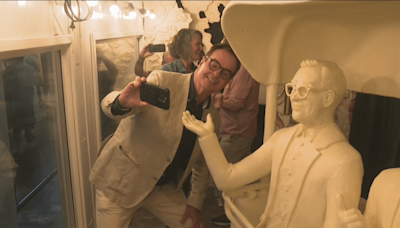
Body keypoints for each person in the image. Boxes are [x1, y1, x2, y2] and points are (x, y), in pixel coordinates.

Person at [182, 59, 364, 227]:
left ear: (328, 98)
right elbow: (227, 178)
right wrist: (207, 137)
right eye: (292, 88)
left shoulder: (345, 161)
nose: (294, 97)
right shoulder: (282, 139)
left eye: (304, 90)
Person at [89, 43, 241, 228]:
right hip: (121, 180)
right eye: (214, 64)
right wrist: (121, 103)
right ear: (202, 62)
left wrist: (195, 202)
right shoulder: (163, 80)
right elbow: (110, 104)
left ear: (229, 81)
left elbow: (203, 163)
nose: (217, 74)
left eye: (225, 73)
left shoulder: (212, 117)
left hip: (162, 189)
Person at [211, 65, 260, 226]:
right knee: (234, 174)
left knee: (228, 175)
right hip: (233, 131)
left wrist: (216, 97)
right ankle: (232, 212)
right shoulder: (240, 70)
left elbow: (236, 103)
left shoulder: (246, 71)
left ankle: (232, 214)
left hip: (237, 132)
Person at [96, 48, 120, 140]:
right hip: (92, 119)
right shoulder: (83, 78)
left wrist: (103, 57)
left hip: (107, 120)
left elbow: (114, 71)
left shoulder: (102, 75)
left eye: (97, 62)